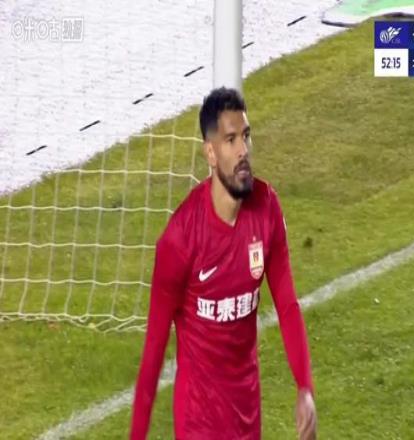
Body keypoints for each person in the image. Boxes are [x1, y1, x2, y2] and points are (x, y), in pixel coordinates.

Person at [130, 87, 316, 439]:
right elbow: (153, 352)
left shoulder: (267, 208)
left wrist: (304, 387)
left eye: (246, 136)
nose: (243, 149)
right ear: (211, 153)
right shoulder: (181, 238)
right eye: (231, 140)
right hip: (198, 422)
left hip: (247, 416)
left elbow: (288, 305)